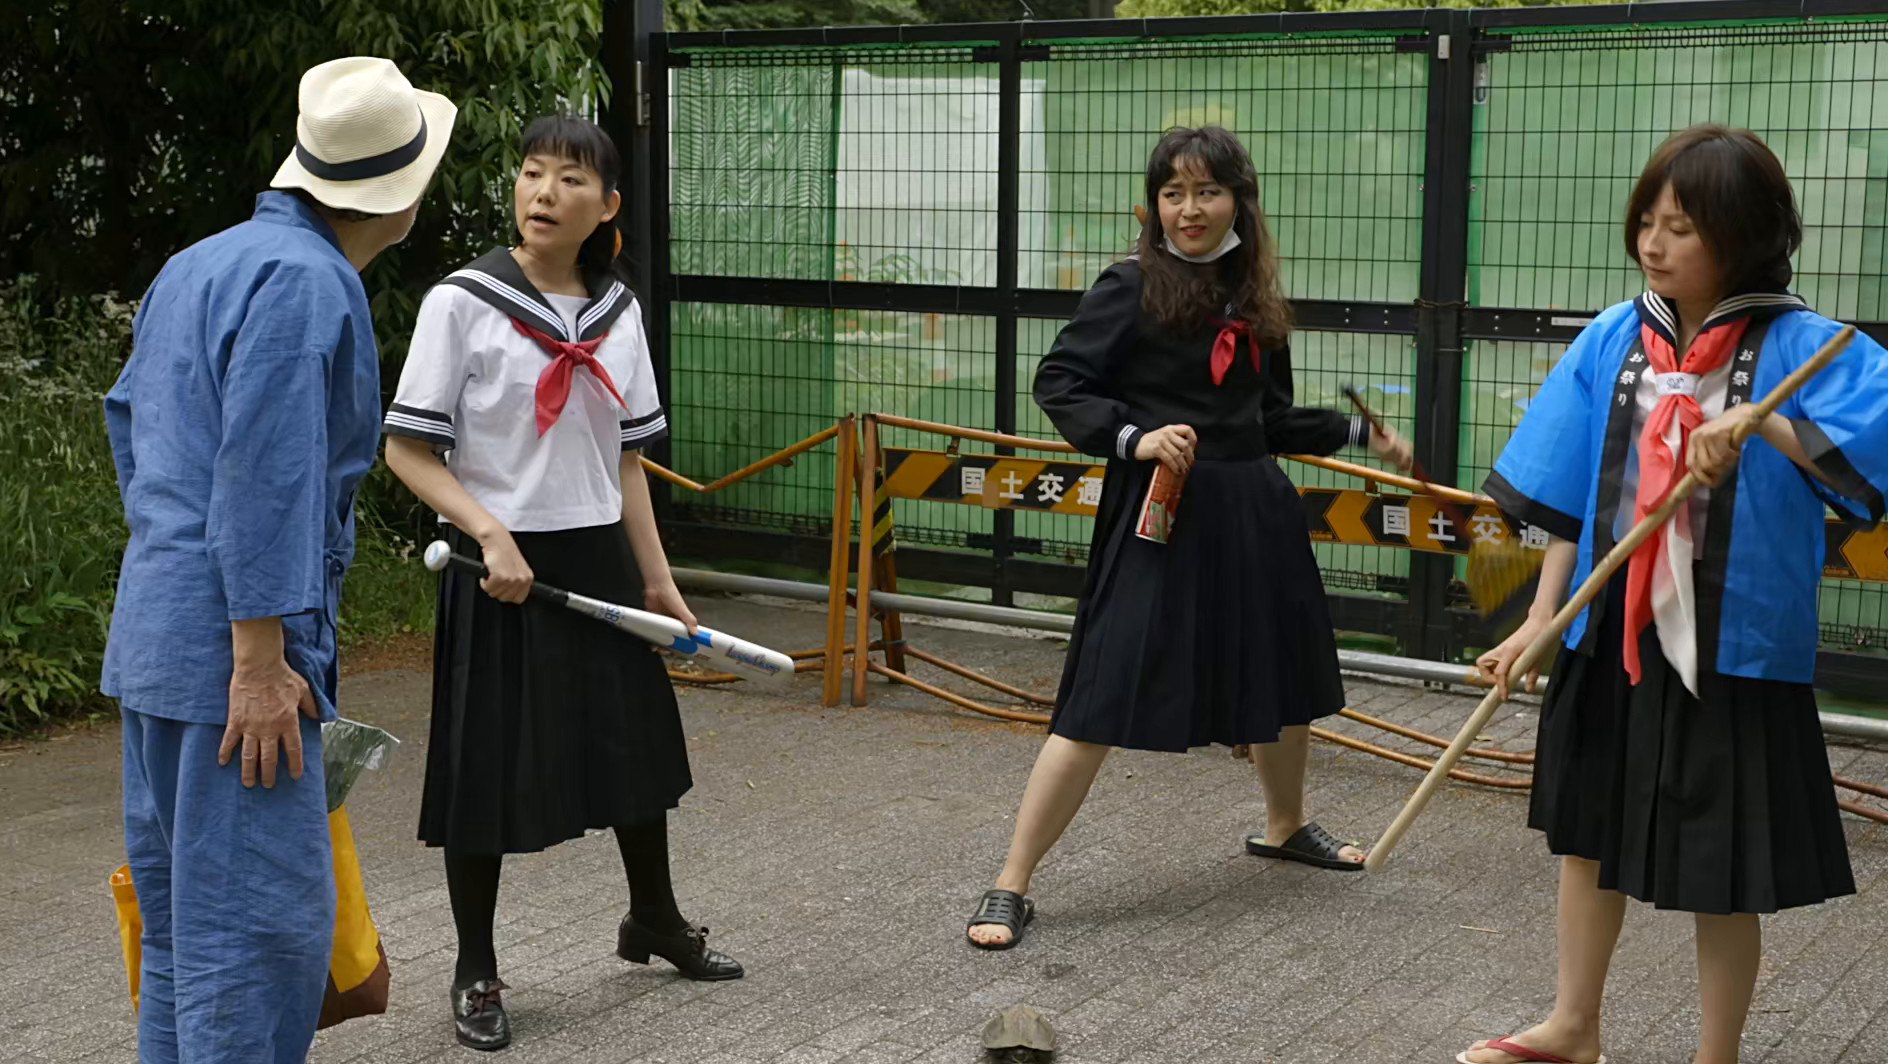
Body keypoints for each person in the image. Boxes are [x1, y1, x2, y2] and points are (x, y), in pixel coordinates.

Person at [1463, 124, 1888, 1064]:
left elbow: (1869, 473)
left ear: (1743, 234)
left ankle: (1716, 1056)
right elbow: (1571, 496)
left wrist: (1765, 428)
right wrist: (1540, 622)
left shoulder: (1808, 347)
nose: (1654, 244)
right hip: (1608, 630)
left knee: (1723, 870)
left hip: (1732, 643)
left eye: (1682, 226)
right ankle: (1574, 1026)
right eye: (1647, 221)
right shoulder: (1618, 337)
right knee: (1586, 837)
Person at [964, 126, 1414, 950]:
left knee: (1281, 672)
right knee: (1103, 688)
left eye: (1206, 191)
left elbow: (1267, 419)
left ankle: (1283, 825)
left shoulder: (1254, 296)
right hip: (1161, 514)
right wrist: (1135, 437)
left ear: (1239, 198)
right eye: (1173, 193)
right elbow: (1059, 383)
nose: (1189, 209)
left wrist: (1356, 431)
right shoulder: (1128, 284)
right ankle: (1010, 880)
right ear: (1155, 205)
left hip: (1253, 512)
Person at [102, 58, 456, 1064]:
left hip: (158, 639)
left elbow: (131, 422)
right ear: (404, 194)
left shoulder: (201, 261)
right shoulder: (311, 285)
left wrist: (175, 566)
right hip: (236, 660)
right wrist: (259, 660)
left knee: (179, 943)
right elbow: (264, 479)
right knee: (255, 951)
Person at [383, 114, 742, 1052]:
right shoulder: (460, 302)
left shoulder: (618, 312)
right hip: (498, 569)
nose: (545, 193)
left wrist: (656, 583)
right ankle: (474, 969)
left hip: (598, 560)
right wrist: (489, 532)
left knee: (634, 752)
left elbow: (625, 462)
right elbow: (407, 448)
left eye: (570, 180)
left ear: (607, 206)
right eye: (533, 174)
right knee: (485, 769)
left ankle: (654, 920)